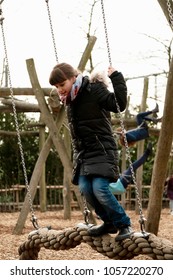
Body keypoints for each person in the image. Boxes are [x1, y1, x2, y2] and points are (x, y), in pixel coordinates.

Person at [49, 63, 133, 241]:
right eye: (56, 87)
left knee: (100, 188)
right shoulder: (70, 100)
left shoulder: (93, 90)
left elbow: (119, 104)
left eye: (62, 84)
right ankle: (108, 222)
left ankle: (123, 224)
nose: (60, 90)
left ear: (73, 78)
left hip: (102, 149)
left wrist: (116, 77)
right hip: (84, 155)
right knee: (86, 189)